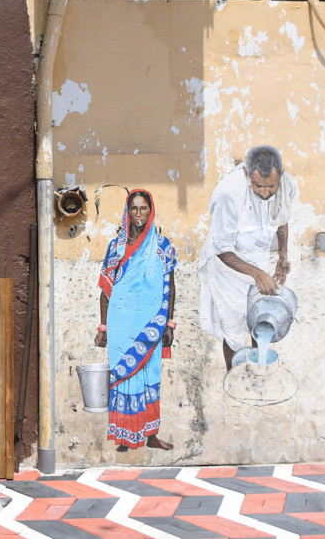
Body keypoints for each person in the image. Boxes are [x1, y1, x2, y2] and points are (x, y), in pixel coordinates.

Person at [198, 146, 298, 371]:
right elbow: (222, 249)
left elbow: (282, 217)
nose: (265, 193)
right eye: (258, 186)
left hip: (257, 255)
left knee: (260, 314)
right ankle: (233, 376)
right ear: (246, 174)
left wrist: (282, 257)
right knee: (233, 324)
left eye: (271, 186)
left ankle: (257, 373)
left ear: (280, 175)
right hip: (227, 266)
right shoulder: (228, 195)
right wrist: (257, 274)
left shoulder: (286, 184)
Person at [96, 189, 177, 451]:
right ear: (127, 211)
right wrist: (103, 327)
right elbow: (106, 289)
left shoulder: (163, 248)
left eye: (144, 208)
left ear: (150, 211)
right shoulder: (117, 247)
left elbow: (170, 286)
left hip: (150, 324)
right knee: (123, 377)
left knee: (149, 376)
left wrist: (168, 324)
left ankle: (150, 436)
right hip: (121, 324)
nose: (139, 214)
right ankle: (124, 437)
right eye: (134, 208)